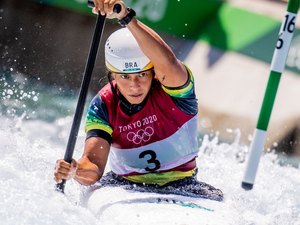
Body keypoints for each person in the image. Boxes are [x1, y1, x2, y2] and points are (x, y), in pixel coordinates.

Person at [54, 0, 223, 201]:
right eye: (125, 77)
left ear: (153, 72)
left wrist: (127, 18)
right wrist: (74, 170)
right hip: (123, 184)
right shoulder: (103, 106)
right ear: (113, 76)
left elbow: (168, 62)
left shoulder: (174, 90)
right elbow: (93, 166)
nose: (135, 86)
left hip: (184, 185)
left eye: (142, 75)